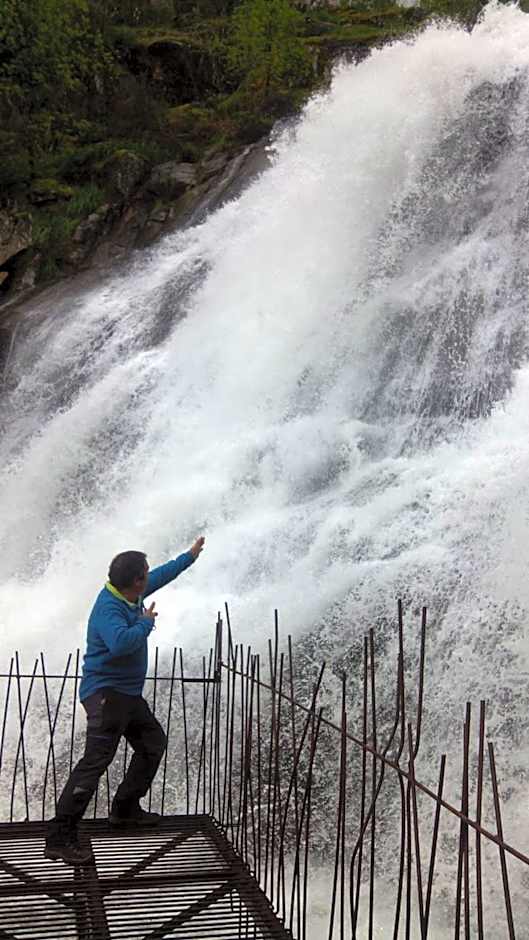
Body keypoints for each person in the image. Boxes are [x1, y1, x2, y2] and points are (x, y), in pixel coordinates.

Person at [44, 537, 205, 865]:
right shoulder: (109, 607)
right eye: (144, 573)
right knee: (95, 762)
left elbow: (161, 574)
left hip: (127, 696)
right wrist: (146, 623)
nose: (149, 576)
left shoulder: (131, 592)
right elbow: (120, 644)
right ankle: (59, 837)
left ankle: (125, 810)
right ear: (135, 581)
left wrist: (189, 557)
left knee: (152, 743)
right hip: (106, 695)